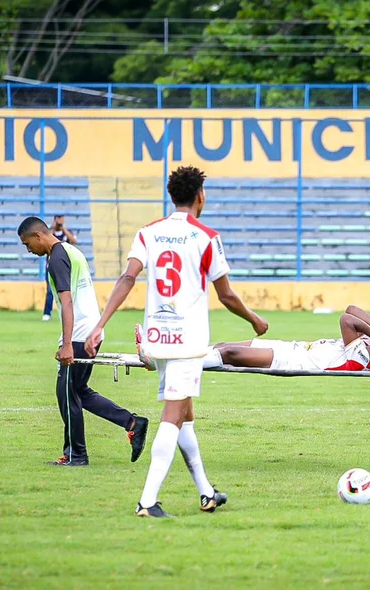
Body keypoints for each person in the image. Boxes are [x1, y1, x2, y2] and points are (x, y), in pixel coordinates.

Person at [88, 166, 268, 518]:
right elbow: (226, 294)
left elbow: (128, 277)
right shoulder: (206, 237)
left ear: (172, 196)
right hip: (186, 342)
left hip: (157, 339)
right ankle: (147, 501)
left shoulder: (149, 233)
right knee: (172, 416)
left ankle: (206, 492)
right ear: (200, 196)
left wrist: (100, 324)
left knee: (185, 414)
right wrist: (254, 320)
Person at [17, 216, 149, 467]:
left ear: (37, 236)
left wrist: (66, 343)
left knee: (67, 394)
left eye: (27, 244)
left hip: (79, 334)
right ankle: (132, 423)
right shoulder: (72, 251)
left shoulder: (56, 257)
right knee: (77, 391)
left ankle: (76, 455)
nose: (28, 249)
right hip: (91, 330)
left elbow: (67, 302)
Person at [168, 305, 370, 373]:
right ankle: (175, 353)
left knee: (230, 354)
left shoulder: (362, 359)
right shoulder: (365, 343)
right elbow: (353, 309)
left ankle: (170, 362)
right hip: (291, 348)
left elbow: (346, 319)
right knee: (222, 347)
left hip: (291, 361)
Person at [42, 215, 78, 321]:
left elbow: (74, 241)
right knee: (50, 290)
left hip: (65, 266)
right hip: (51, 266)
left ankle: (70, 312)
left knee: (68, 290)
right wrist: (53, 228)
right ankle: (47, 313)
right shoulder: (50, 233)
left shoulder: (67, 233)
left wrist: (64, 229)